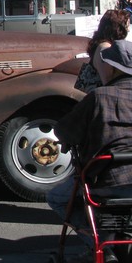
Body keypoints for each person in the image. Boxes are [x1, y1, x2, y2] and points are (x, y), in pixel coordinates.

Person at [47, 39, 132, 262]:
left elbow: (64, 131)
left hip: (107, 182)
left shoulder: (99, 97)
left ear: (112, 68)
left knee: (57, 197)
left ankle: (104, 247)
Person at [75, 9, 130, 93]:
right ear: (118, 28)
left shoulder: (103, 45)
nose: (128, 30)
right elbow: (108, 81)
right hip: (99, 98)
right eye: (126, 26)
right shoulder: (104, 48)